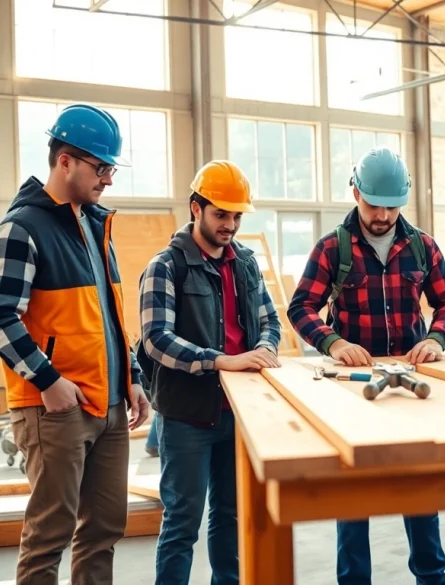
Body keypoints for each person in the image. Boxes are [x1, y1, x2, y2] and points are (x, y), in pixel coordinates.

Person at [0, 103, 151, 585]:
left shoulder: (96, 227)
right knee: (48, 536)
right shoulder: (22, 228)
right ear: (65, 161)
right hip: (54, 408)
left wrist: (132, 378)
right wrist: (49, 381)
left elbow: (111, 318)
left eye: (110, 168)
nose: (108, 180)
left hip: (108, 404)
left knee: (103, 530)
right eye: (102, 167)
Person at [287, 147, 445, 585]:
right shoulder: (333, 247)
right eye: (373, 204)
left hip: (412, 388)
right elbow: (301, 307)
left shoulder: (422, 246)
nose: (383, 215)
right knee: (353, 493)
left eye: (392, 205)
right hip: (352, 387)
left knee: (419, 486)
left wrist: (436, 339)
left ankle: (431, 577)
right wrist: (333, 342)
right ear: (355, 193)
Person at [138, 160, 283, 585]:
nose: (231, 225)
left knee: (231, 516)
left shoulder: (247, 264)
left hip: (240, 413)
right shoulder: (165, 267)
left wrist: (265, 348)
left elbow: (271, 321)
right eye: (221, 214)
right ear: (195, 208)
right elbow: (156, 339)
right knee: (183, 522)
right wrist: (221, 361)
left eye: (237, 216)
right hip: (187, 416)